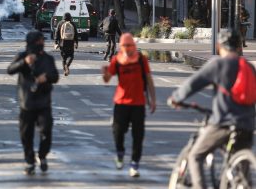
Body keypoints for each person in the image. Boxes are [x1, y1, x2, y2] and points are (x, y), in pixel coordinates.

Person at [168, 29, 255, 189]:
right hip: (248, 125)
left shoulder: (218, 64)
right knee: (242, 169)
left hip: (223, 123)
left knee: (195, 155)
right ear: (239, 46)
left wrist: (176, 98)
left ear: (219, 46)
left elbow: (193, 84)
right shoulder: (249, 67)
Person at [101, 33, 156, 178]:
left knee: (138, 136)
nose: (127, 49)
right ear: (121, 46)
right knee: (118, 132)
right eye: (124, 46)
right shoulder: (117, 60)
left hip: (138, 103)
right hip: (121, 103)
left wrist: (153, 99)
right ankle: (120, 153)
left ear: (134, 46)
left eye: (129, 46)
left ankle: (134, 165)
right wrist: (104, 74)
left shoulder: (141, 60)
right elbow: (107, 80)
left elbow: (149, 80)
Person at [7, 31, 59, 175]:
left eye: (42, 41)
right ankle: (29, 161)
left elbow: (55, 76)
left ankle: (42, 156)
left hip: (43, 103)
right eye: (39, 41)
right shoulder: (23, 56)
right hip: (27, 103)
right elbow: (10, 70)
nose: (41, 44)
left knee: (46, 131)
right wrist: (25, 62)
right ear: (31, 42)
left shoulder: (48, 59)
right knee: (26, 135)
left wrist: (46, 77)